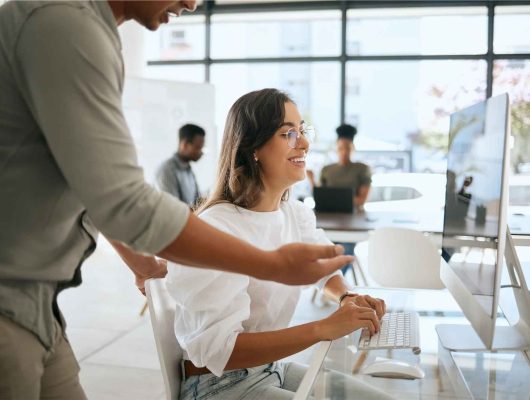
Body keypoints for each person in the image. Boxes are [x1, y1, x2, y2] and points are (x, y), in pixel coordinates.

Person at [0, 2, 352, 398]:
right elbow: (123, 199)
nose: (192, 3)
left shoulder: (87, 33)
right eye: (288, 132)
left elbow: (84, 180)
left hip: (39, 303)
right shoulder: (63, 24)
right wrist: (272, 266)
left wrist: (140, 264)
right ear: (253, 148)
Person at [167, 89, 392, 400]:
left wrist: (346, 296)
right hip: (218, 385)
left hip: (270, 368)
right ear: (252, 147)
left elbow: (322, 270)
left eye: (302, 131)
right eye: (288, 133)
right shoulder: (216, 228)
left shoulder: (294, 214)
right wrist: (322, 328)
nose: (304, 143)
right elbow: (219, 351)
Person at [319, 124, 372, 210]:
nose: (344, 152)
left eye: (348, 148)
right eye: (341, 148)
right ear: (336, 148)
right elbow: (320, 197)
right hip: (330, 216)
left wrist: (332, 200)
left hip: (354, 216)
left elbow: (362, 200)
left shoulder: (363, 169)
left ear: (353, 148)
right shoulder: (326, 170)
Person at [156, 123, 205, 207]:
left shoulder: (188, 170)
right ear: (184, 144)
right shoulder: (166, 170)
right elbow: (172, 208)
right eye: (198, 147)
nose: (201, 152)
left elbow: (197, 201)